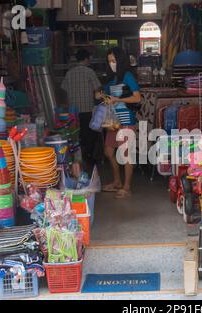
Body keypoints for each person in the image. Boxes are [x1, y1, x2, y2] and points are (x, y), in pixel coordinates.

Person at [100, 47, 142, 199]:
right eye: (109, 61)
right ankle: (117, 182)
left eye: (114, 60)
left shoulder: (127, 76)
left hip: (126, 121)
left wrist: (118, 99)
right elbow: (107, 98)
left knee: (126, 155)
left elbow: (137, 98)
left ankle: (127, 186)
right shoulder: (110, 79)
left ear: (120, 60)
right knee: (109, 152)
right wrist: (102, 96)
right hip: (113, 123)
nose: (111, 63)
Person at [61, 49, 102, 168]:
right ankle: (88, 157)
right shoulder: (89, 72)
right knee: (90, 134)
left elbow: (64, 89)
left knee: (76, 134)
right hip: (87, 110)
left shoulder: (69, 73)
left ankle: (78, 158)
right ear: (85, 59)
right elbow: (97, 89)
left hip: (73, 111)